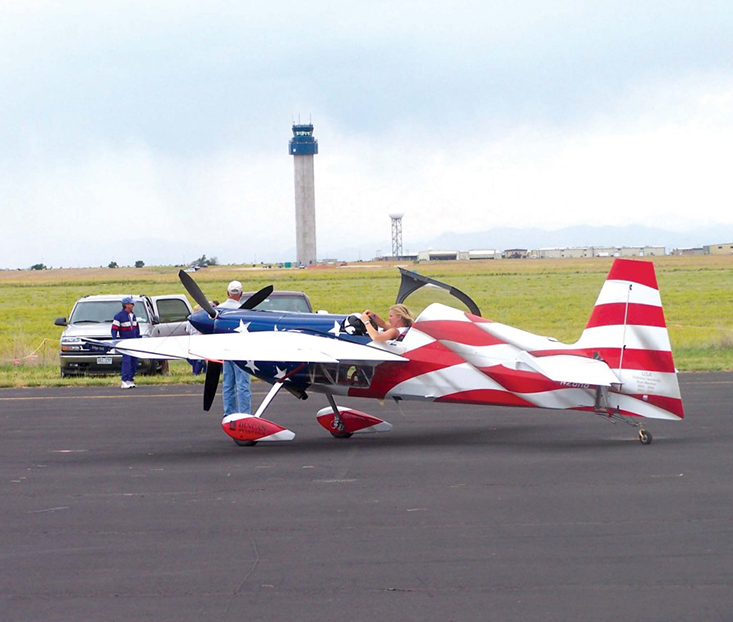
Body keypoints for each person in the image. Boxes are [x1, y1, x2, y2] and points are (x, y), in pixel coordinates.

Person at [217, 281, 252, 415]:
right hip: (242, 351)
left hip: (226, 350)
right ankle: (244, 414)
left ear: (227, 293)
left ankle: (229, 413)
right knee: (243, 385)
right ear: (241, 294)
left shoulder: (220, 309)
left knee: (228, 384)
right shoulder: (245, 310)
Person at [112, 297, 141, 389]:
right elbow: (114, 329)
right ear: (126, 305)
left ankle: (130, 379)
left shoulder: (133, 315)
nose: (133, 305)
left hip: (134, 342)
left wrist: (138, 337)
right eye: (131, 304)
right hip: (124, 342)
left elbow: (136, 329)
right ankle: (124, 380)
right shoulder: (119, 316)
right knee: (126, 361)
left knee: (134, 361)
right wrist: (115, 340)